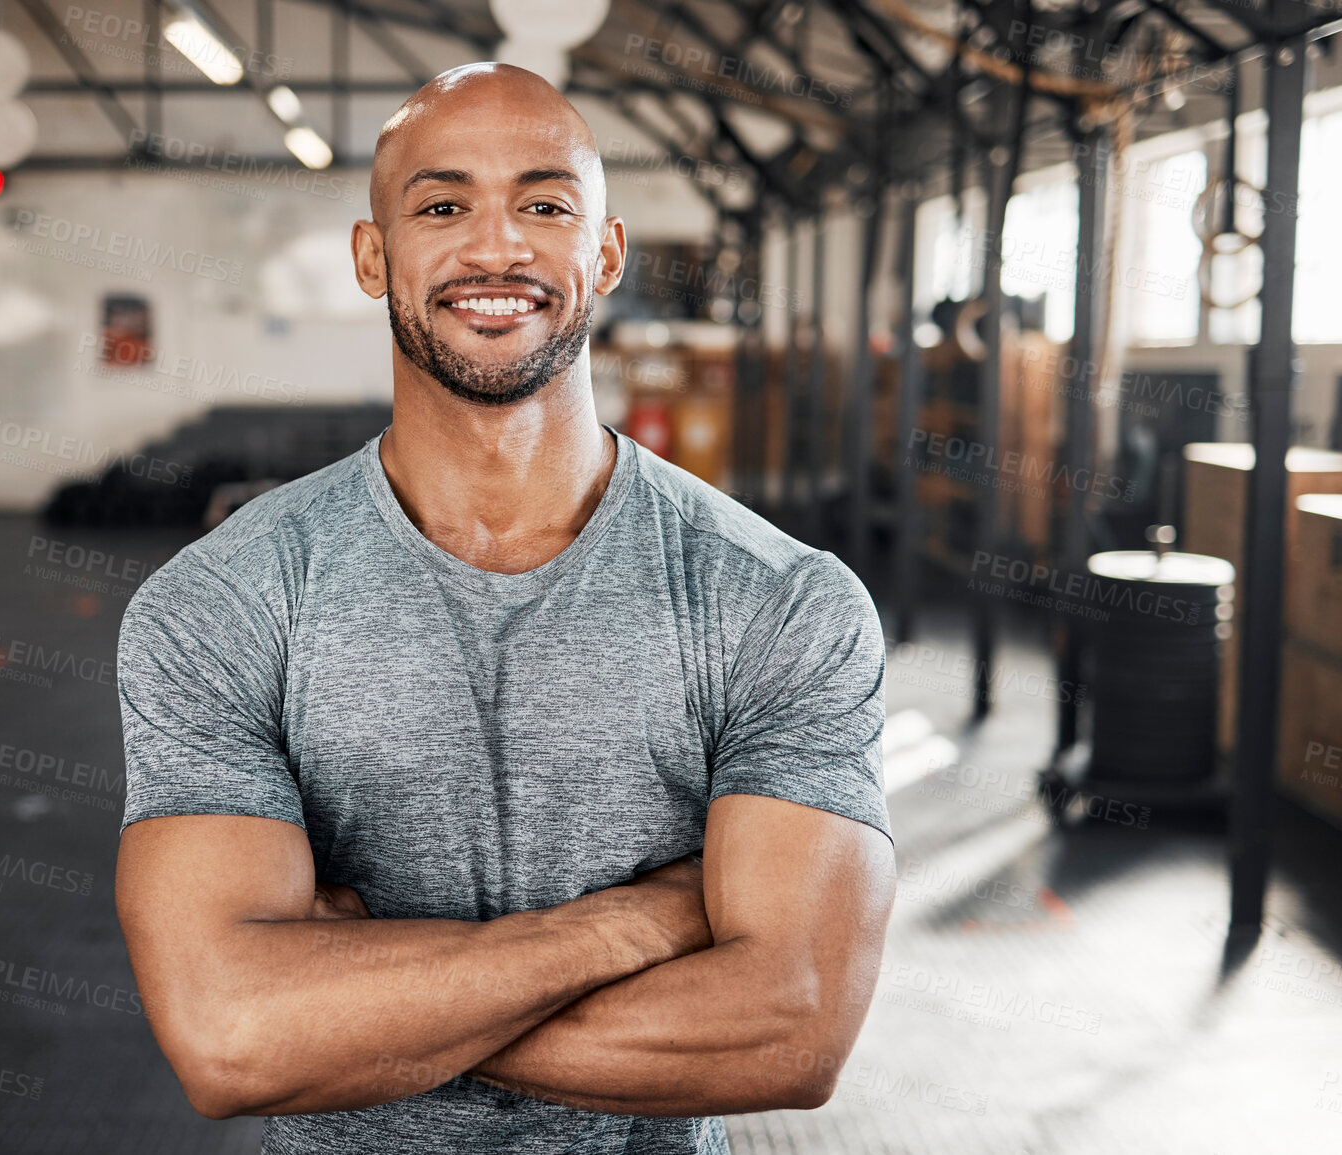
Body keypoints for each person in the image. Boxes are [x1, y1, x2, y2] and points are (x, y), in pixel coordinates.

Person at [114, 64, 894, 1155]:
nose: (495, 249)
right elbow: (234, 1039)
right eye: (443, 207)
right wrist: (637, 921)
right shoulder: (220, 605)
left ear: (606, 253)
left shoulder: (778, 601)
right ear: (371, 256)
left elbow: (791, 1033)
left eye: (544, 205)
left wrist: (345, 1012)